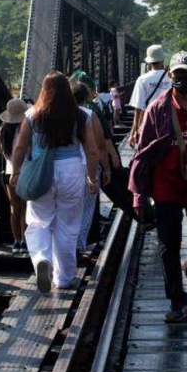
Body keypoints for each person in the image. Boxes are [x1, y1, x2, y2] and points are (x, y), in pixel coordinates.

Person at [128, 52, 187, 323]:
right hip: (166, 186)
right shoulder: (157, 109)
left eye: (186, 75)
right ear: (170, 76)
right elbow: (143, 153)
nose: (181, 80)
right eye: (177, 75)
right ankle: (177, 302)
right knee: (168, 245)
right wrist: (138, 195)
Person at [10, 72, 100, 291]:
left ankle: (42, 259)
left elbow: (20, 146)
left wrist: (15, 171)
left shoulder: (33, 114)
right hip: (71, 170)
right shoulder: (81, 115)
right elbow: (92, 151)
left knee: (39, 220)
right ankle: (64, 278)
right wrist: (92, 178)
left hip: (42, 171)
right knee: (68, 226)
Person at [72, 78, 117, 258]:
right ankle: (78, 245)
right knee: (87, 208)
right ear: (86, 97)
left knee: (66, 209)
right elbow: (99, 146)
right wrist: (105, 168)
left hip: (63, 168)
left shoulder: (57, 114)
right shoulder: (89, 115)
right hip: (86, 167)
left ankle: (61, 246)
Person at [0, 97, 29, 252]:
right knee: (26, 207)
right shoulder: (27, 130)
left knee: (14, 208)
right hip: (26, 171)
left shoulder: (1, 131)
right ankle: (26, 241)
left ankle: (16, 241)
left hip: (10, 173)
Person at [130, 44, 170, 146]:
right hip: (169, 121)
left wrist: (133, 133)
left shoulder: (142, 79)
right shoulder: (171, 77)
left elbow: (138, 109)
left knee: (148, 154)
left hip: (148, 122)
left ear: (149, 61)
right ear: (162, 59)